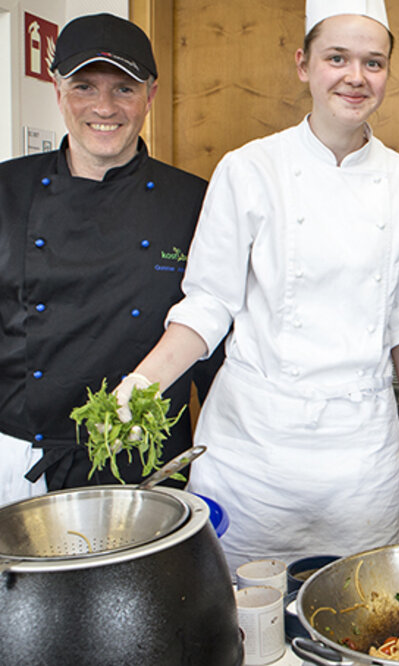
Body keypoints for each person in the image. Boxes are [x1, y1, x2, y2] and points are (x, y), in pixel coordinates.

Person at [111, 0, 399, 570]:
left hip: (359, 456)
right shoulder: (249, 170)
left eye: (373, 62)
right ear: (303, 65)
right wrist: (141, 386)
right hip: (253, 455)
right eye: (336, 57)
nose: (355, 77)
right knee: (236, 620)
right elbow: (209, 303)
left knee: (363, 614)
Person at [0, 13, 219, 503]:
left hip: (146, 464)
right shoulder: (6, 191)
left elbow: (213, 347)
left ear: (151, 94)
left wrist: (223, 459)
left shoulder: (195, 202)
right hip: (18, 459)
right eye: (84, 87)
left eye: (124, 88)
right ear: (58, 92)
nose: (104, 107)